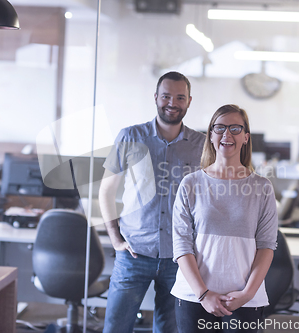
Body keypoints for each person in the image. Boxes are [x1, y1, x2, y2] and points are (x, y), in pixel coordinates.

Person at [99, 71, 206, 333]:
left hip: (180, 257)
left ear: (189, 101)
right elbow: (106, 191)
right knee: (116, 327)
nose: (172, 102)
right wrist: (115, 239)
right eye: (166, 96)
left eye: (180, 97)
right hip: (134, 253)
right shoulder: (130, 137)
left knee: (169, 329)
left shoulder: (202, 145)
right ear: (155, 97)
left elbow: (209, 198)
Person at [171, 104, 278, 333]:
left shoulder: (262, 187)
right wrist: (204, 294)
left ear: (246, 137)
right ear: (210, 135)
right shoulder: (190, 184)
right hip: (194, 297)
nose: (226, 134)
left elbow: (266, 247)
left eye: (235, 128)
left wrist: (247, 294)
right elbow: (181, 245)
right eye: (219, 128)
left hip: (244, 298)